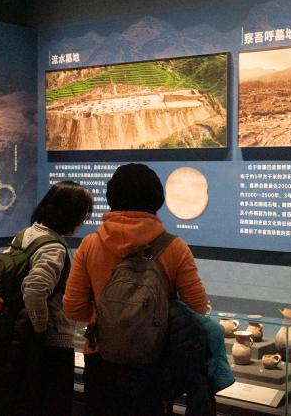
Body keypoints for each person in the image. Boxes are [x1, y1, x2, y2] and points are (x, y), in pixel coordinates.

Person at [63, 163, 209, 416]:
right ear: (157, 199)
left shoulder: (90, 245)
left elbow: (73, 308)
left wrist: (107, 317)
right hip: (154, 359)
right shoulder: (175, 248)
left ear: (111, 197)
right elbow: (198, 307)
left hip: (100, 356)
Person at [0, 180, 93, 416]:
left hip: (20, 338)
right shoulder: (53, 247)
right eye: (82, 215)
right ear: (70, 215)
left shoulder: (26, 234)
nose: (83, 221)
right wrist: (40, 327)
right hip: (49, 346)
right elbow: (34, 289)